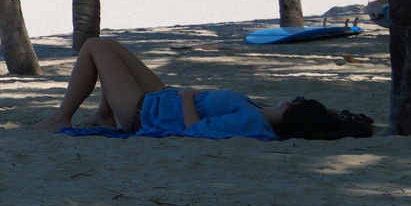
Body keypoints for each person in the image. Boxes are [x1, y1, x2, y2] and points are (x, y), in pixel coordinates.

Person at [34, 36, 373, 140]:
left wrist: (185, 97)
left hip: (144, 113)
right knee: (109, 45)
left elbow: (197, 130)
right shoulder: (257, 113)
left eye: (295, 101)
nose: (289, 98)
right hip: (160, 100)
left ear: (292, 109)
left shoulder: (251, 122)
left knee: (94, 47)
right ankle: (103, 114)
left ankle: (62, 116)